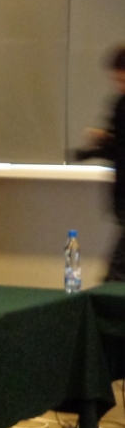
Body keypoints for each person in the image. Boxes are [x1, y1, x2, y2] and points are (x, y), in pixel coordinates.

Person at [73, 44, 125, 281]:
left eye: (122, 79)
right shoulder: (120, 104)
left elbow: (118, 146)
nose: (119, 85)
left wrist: (100, 145)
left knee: (115, 274)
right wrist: (102, 142)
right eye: (116, 80)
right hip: (121, 192)